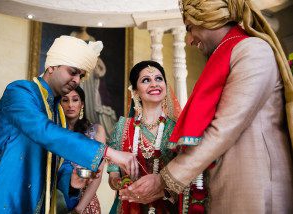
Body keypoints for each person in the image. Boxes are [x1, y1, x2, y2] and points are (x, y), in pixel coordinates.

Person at [120, 0, 293, 213]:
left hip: (255, 186)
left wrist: (165, 180)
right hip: (222, 187)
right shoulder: (228, 55)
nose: (190, 40)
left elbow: (225, 127)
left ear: (207, 19)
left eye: (190, 29)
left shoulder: (253, 51)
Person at [0, 35, 138, 213]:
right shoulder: (20, 91)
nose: (77, 80)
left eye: (81, 75)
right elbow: (44, 132)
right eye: (73, 72)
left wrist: (72, 182)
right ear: (52, 66)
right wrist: (109, 152)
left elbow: (58, 163)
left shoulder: (58, 110)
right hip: (1, 202)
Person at [107, 60, 182, 213]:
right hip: (129, 206)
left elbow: (187, 175)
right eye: (146, 80)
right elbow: (113, 175)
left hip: (167, 207)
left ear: (166, 87)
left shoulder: (178, 129)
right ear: (135, 91)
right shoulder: (122, 127)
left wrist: (162, 190)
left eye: (159, 79)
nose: (154, 84)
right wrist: (121, 183)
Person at [58, 86, 106, 213]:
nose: (70, 105)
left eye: (75, 100)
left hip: (86, 203)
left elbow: (98, 175)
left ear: (82, 104)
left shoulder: (95, 131)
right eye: (65, 100)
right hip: (57, 201)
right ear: (59, 104)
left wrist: (79, 209)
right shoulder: (54, 133)